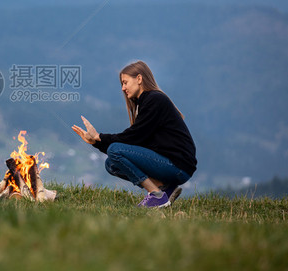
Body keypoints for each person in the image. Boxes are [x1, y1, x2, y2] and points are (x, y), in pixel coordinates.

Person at [72, 60, 197, 208]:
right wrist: (95, 142)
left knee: (115, 151)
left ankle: (156, 195)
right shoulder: (144, 103)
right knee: (111, 164)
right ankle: (165, 188)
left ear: (139, 78)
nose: (123, 88)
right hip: (171, 165)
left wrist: (99, 137)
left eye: (125, 82)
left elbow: (134, 137)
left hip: (177, 166)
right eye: (122, 84)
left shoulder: (154, 99)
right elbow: (136, 141)